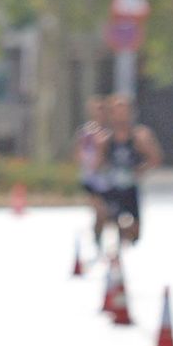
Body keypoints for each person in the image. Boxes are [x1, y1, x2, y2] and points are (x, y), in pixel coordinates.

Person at [95, 95, 163, 248]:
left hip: (131, 187)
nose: (120, 116)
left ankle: (125, 241)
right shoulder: (105, 139)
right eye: (116, 111)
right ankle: (105, 245)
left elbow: (155, 158)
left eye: (124, 111)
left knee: (134, 229)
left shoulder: (139, 136)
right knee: (108, 216)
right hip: (112, 188)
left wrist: (140, 169)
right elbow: (97, 165)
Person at [74, 96, 111, 254]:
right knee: (100, 211)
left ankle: (103, 237)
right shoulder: (86, 133)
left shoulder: (110, 133)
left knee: (107, 214)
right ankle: (97, 239)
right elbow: (78, 154)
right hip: (91, 179)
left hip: (107, 180)